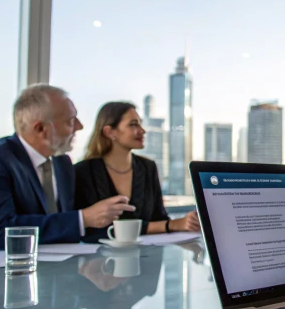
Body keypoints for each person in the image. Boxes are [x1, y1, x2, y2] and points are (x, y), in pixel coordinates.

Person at [0, 85, 135, 252]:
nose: (80, 126)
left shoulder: (62, 164)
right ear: (41, 129)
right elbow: (1, 231)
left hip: (47, 268)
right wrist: (83, 218)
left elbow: (68, 224)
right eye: (70, 121)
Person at [74, 102, 200, 243]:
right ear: (110, 132)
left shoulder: (148, 167)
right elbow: (90, 230)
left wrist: (185, 223)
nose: (142, 130)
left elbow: (159, 218)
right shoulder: (82, 171)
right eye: (133, 124)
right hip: (98, 260)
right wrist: (171, 225)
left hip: (147, 257)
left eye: (140, 123)